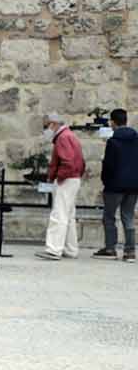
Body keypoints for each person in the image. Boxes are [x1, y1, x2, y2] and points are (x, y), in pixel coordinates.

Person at [37, 112, 87, 261]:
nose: (45, 130)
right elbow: (80, 162)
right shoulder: (69, 135)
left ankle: (53, 249)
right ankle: (71, 249)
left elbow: (68, 162)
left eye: (46, 126)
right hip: (73, 178)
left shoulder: (63, 138)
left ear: (53, 124)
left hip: (66, 179)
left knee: (59, 214)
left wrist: (59, 177)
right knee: (69, 216)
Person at [94, 108, 138, 261]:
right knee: (128, 217)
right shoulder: (136, 139)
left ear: (113, 122)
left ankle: (110, 248)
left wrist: (105, 182)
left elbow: (109, 166)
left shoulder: (113, 142)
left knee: (109, 217)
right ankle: (130, 252)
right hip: (133, 186)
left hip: (114, 186)